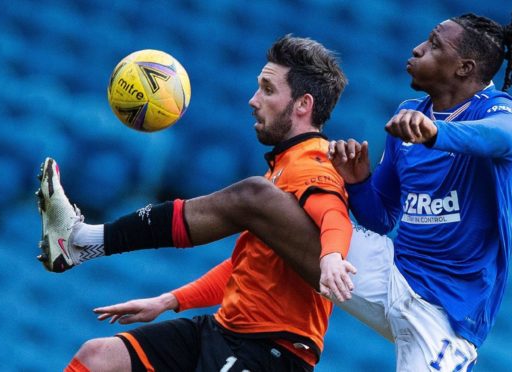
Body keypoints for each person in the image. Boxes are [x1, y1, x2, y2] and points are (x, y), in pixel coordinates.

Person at [39, 10, 512, 371]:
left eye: (436, 44)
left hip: (448, 316)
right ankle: (85, 241)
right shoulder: (408, 114)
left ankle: (86, 240)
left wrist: (439, 134)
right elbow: (383, 213)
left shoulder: (496, 112)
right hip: (391, 272)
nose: (419, 47)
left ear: (465, 69)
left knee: (260, 201)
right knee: (258, 203)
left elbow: (498, 141)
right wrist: (362, 182)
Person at [37, 35, 352, 371]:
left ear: (303, 105)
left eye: (267, 89)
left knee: (250, 193)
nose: (253, 99)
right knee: (99, 357)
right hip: (224, 328)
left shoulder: (314, 165)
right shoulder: (283, 167)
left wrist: (332, 255)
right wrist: (170, 300)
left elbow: (334, 213)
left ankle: (84, 240)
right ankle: (81, 242)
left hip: (270, 351)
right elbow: (246, 266)